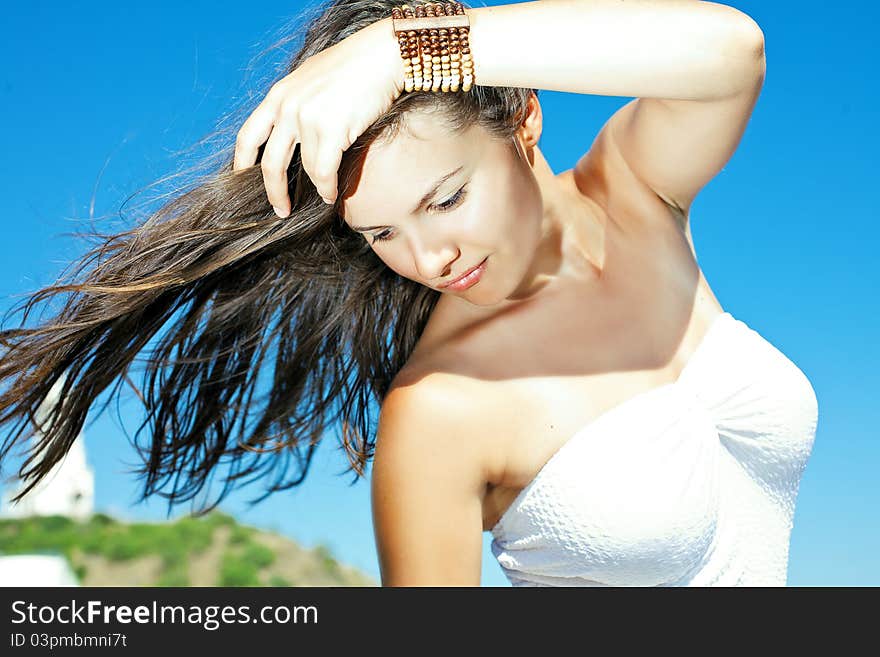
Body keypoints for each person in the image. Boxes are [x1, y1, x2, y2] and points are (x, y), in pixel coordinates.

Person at [0, 0, 818, 587]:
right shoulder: (438, 410)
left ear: (524, 115)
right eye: (381, 234)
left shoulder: (636, 197)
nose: (429, 256)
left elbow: (733, 51)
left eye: (446, 199)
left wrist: (402, 49)